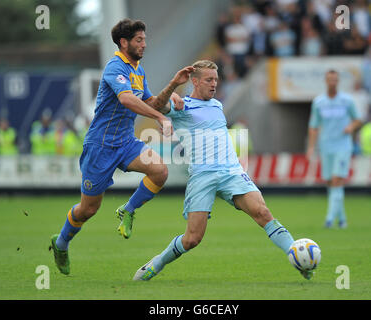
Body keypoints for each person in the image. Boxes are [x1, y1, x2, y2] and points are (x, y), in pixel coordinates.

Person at [133, 60, 313, 281]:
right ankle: (157, 263)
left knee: (263, 213)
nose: (214, 84)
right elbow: (156, 107)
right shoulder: (182, 105)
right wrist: (173, 87)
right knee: (192, 239)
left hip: (231, 172)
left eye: (216, 79)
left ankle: (297, 257)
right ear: (195, 81)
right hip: (202, 176)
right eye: (209, 80)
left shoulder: (217, 105)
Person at [49, 18, 194, 275]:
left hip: (126, 142)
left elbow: (151, 102)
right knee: (88, 209)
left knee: (159, 171)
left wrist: (173, 85)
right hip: (101, 146)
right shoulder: (115, 66)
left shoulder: (138, 70)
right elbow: (127, 99)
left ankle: (127, 210)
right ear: (124, 42)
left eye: (145, 39)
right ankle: (61, 242)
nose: (144, 44)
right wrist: (160, 118)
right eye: (139, 40)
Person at [307, 70, 362, 229]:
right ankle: (342, 220)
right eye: (330, 80)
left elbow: (358, 119)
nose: (332, 82)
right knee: (331, 182)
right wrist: (311, 147)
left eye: (335, 80)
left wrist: (350, 127)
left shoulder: (346, 100)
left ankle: (329, 219)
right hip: (326, 146)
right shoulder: (319, 102)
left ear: (338, 82)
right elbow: (313, 126)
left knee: (338, 179)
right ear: (326, 81)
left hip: (343, 146)